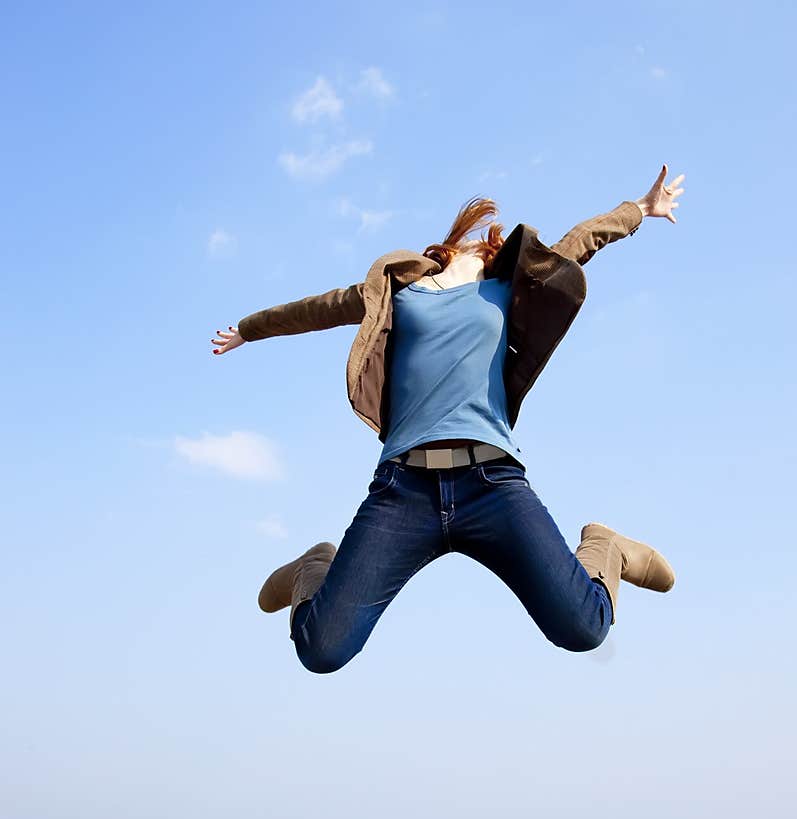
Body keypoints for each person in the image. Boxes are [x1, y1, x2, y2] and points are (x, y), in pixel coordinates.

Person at [212, 165, 685, 674]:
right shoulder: (398, 291)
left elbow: (582, 240)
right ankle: (314, 568)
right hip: (403, 489)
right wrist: (249, 328)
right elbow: (319, 308)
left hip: (491, 483)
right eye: (475, 243)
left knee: (584, 626)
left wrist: (639, 208)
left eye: (494, 245)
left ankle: (604, 547)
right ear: (446, 248)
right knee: (321, 649)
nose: (486, 248)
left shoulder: (508, 286)